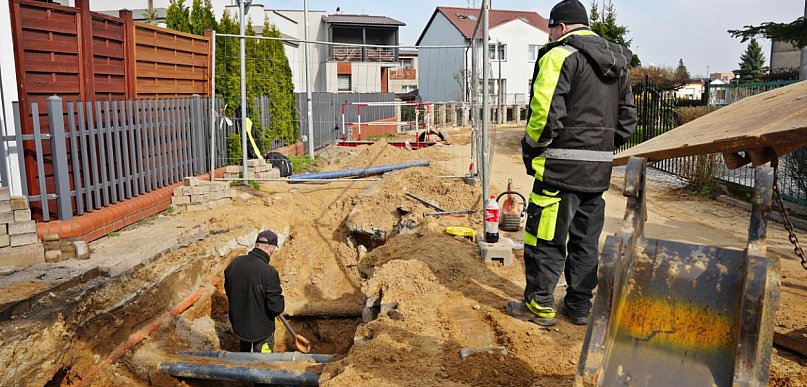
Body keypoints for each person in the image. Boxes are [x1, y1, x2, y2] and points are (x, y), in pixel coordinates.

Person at [507, 0, 637, 326]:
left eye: (550, 29)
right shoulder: (616, 63)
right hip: (597, 172)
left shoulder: (559, 55)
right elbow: (627, 122)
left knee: (545, 237)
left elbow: (544, 114)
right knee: (585, 240)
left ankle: (539, 305)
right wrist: (600, 150)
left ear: (561, 27)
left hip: (560, 170)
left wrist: (532, 150)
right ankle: (579, 306)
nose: (549, 36)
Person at [225, 230, 285, 352]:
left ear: (255, 244)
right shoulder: (268, 272)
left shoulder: (234, 264)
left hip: (239, 326)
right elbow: (276, 308)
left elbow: (229, 290)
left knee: (243, 362)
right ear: (272, 249)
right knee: (263, 365)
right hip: (262, 330)